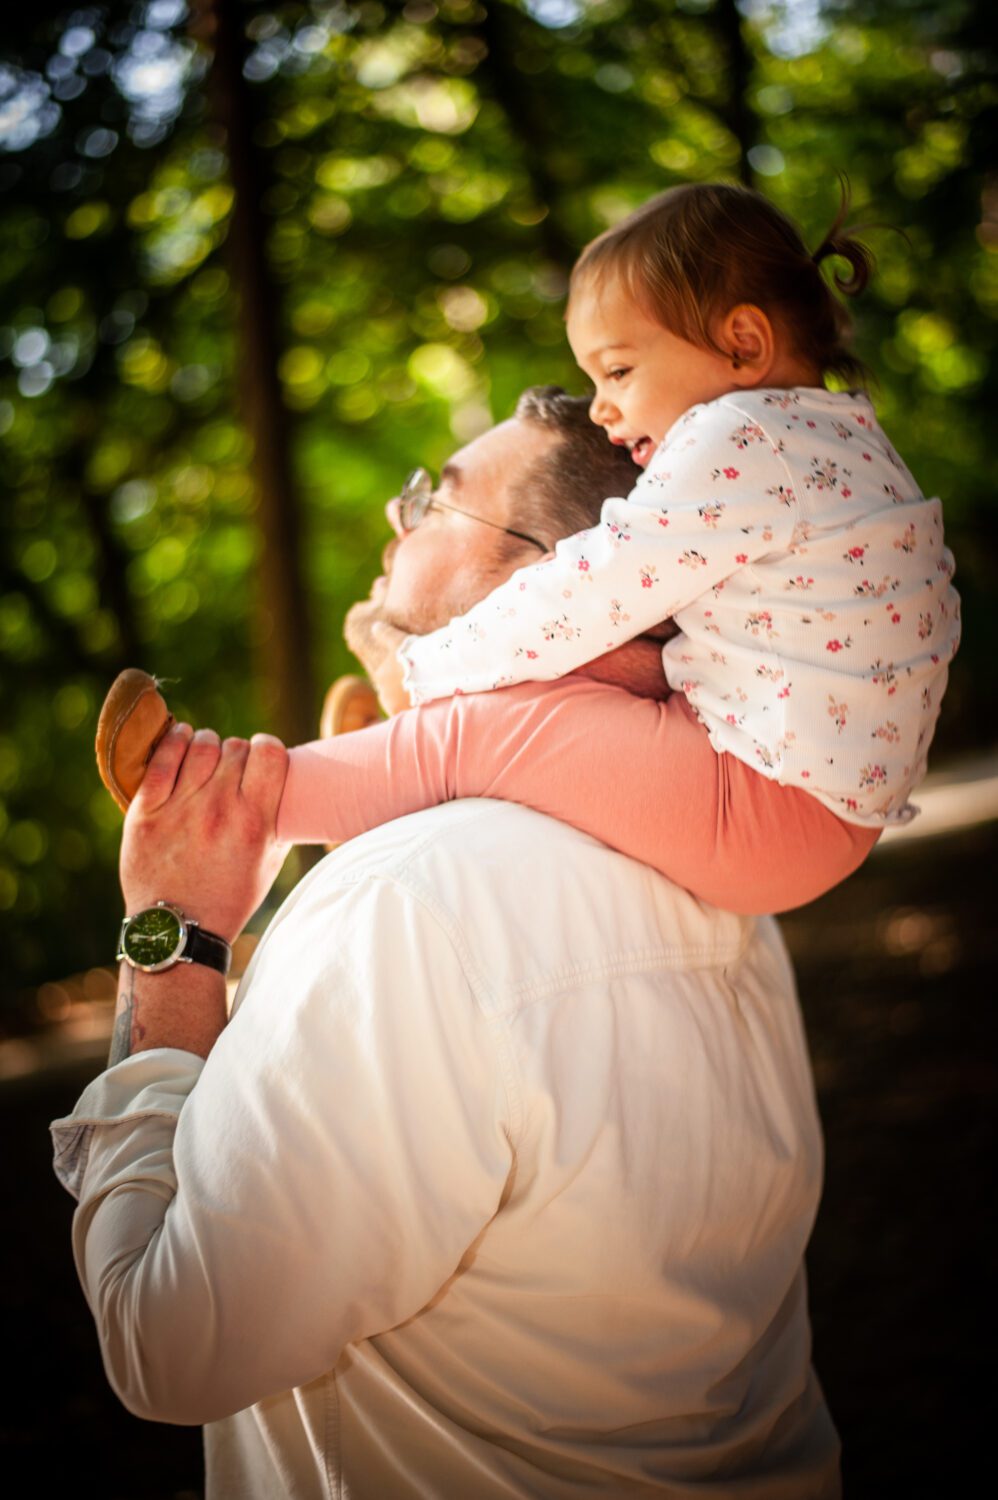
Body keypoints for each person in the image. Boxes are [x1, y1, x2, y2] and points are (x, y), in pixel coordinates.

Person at [54, 397, 842, 1498]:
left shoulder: (400, 906)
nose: (399, 511)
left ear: (570, 588)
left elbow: (164, 1343)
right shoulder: (727, 871)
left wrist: (175, 935)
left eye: (435, 499)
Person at [98, 184, 959, 916]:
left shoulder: (737, 437)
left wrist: (425, 664)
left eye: (617, 372)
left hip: (769, 807)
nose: (603, 408)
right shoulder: (851, 441)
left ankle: (230, 797)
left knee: (488, 732)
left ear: (743, 343)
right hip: (817, 804)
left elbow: (589, 589)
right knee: (561, 699)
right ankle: (377, 762)